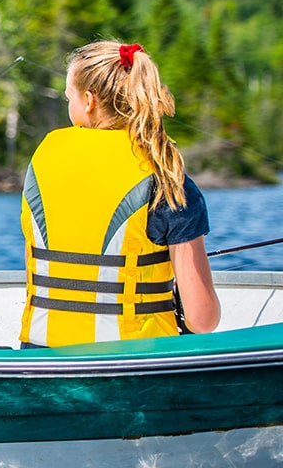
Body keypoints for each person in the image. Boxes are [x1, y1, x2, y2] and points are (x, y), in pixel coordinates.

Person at [20, 40, 220, 347]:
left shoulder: (43, 160)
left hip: (42, 358)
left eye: (67, 97)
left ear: (88, 101)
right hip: (135, 363)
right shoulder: (165, 178)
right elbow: (203, 320)